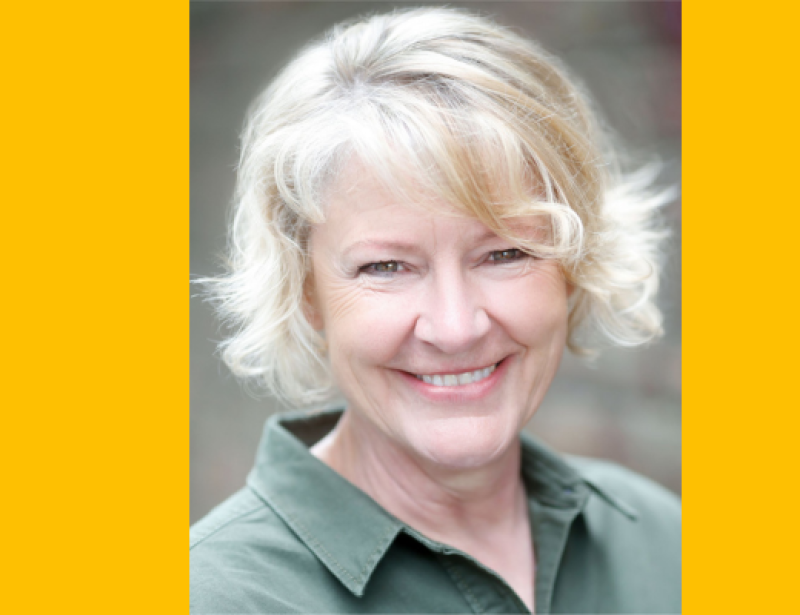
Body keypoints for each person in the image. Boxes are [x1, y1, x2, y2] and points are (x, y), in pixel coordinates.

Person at [190, 7, 680, 614]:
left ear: (574, 265)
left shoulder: (660, 541)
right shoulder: (216, 597)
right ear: (306, 293)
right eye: (387, 267)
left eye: (504, 253)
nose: (455, 328)